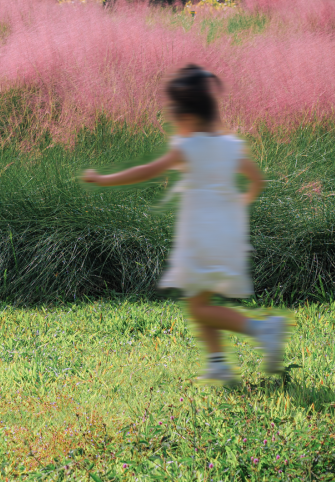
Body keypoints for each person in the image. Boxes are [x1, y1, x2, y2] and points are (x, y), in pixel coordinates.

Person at [82, 63, 287, 382]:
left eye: (173, 118)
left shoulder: (188, 148)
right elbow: (256, 180)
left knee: (198, 306)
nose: (172, 124)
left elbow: (147, 171)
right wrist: (239, 203)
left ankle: (263, 329)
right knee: (199, 297)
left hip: (200, 237)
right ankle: (218, 364)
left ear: (187, 117)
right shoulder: (230, 146)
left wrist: (103, 179)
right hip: (228, 235)